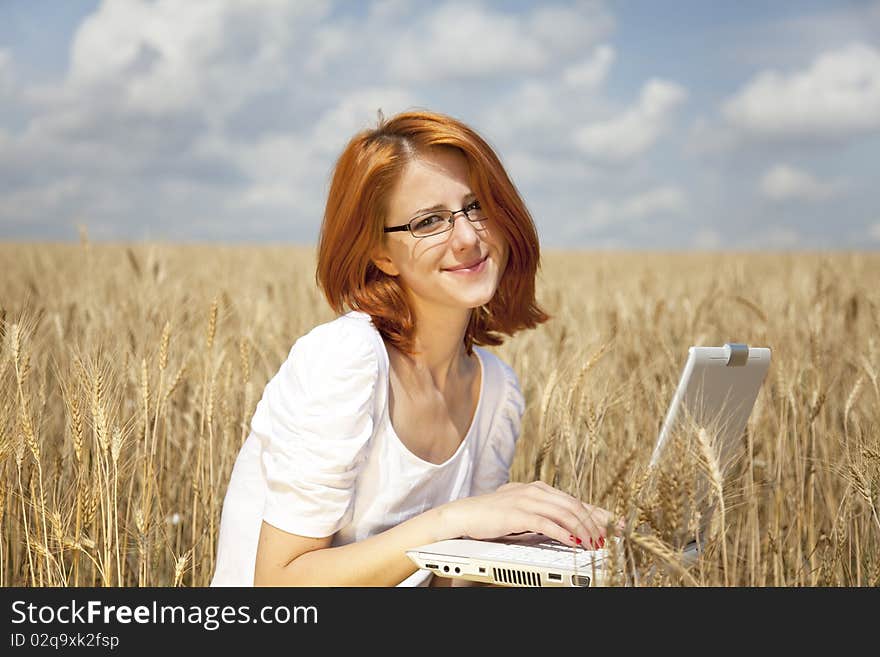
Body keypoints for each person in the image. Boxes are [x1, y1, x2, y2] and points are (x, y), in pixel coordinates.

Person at [210, 108, 622, 587]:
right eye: (429, 222)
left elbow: (453, 585)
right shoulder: (347, 361)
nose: (468, 236)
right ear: (380, 254)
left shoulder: (496, 392)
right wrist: (454, 522)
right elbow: (279, 584)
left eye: (477, 206)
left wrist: (546, 544)